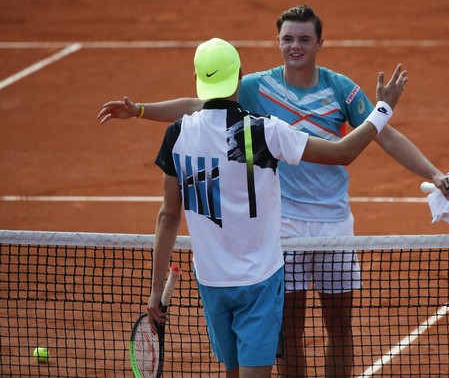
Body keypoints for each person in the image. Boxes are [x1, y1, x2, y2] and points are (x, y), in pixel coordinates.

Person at [98, 6, 447, 377]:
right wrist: (140, 111)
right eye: (287, 39)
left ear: (319, 43)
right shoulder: (255, 89)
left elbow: (385, 137)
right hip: (283, 229)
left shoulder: (340, 88)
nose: (295, 46)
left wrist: (433, 172)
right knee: (289, 332)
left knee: (340, 327)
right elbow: (198, 106)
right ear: (278, 42)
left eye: (304, 39)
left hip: (333, 225)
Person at [142, 37, 406, 378]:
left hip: (210, 280)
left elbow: (168, 216)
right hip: (259, 282)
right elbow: (343, 153)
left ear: (199, 80)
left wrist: (153, 290)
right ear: (239, 77)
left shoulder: (176, 135)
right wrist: (383, 110)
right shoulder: (262, 131)